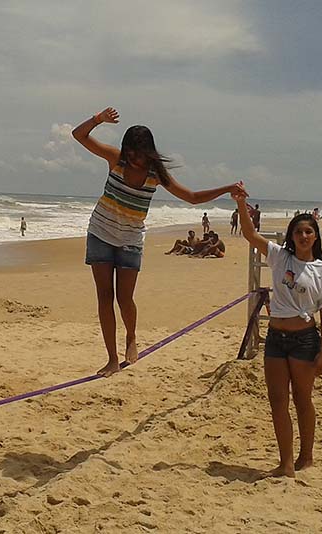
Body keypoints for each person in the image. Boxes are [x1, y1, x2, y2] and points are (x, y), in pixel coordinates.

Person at [72, 107, 244, 377]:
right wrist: (97, 120)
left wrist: (227, 188)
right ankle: (111, 359)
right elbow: (78, 135)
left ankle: (131, 337)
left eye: (138, 154)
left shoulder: (156, 174)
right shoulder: (115, 159)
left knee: (124, 298)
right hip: (100, 233)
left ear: (148, 152)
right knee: (105, 298)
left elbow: (192, 196)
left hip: (130, 239)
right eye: (130, 153)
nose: (134, 159)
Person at [233, 192, 322, 478]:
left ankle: (307, 457)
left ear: (315, 237)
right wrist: (241, 203)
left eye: (308, 231)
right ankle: (286, 462)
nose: (303, 235)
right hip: (276, 339)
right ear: (291, 236)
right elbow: (250, 234)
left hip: (305, 340)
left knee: (303, 399)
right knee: (277, 400)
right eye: (299, 231)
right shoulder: (280, 257)